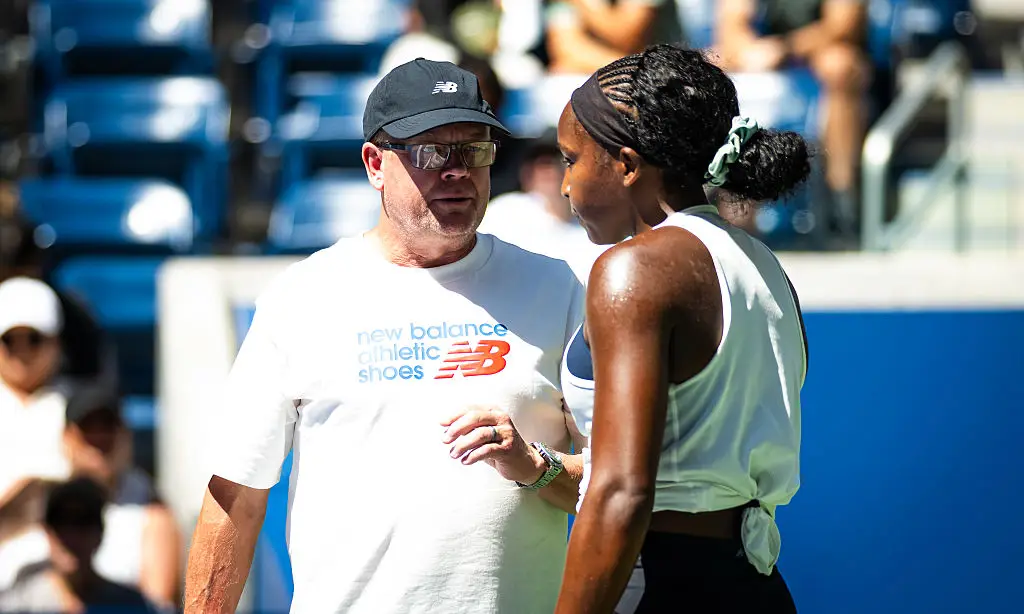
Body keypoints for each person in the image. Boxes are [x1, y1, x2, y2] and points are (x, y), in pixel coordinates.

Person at [184, 58, 588, 613]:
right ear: (375, 164)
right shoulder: (302, 298)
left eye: (473, 150)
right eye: (432, 153)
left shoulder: (558, 288)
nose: (457, 171)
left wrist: (534, 465)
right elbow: (236, 495)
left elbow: (614, 487)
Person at [551, 45, 809, 613]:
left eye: (571, 160)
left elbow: (621, 491)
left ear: (625, 164)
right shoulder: (766, 267)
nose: (565, 186)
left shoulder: (633, 270)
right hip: (754, 588)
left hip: (659, 588)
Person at [717, 0, 870, 236]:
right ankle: (729, 221)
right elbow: (732, 28)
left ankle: (841, 202)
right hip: (767, 63)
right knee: (705, 65)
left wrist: (785, 48)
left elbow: (844, 26)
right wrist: (751, 51)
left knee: (840, 64)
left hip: (816, 61)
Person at [63, 385, 182, 609]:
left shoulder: (152, 512)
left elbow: (157, 606)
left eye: (107, 426)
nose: (98, 438)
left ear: (125, 435)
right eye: (87, 428)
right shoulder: (39, 500)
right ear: (66, 437)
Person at [0, 477, 157, 613]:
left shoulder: (129, 605)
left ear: (101, 532)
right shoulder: (19, 603)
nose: (71, 536)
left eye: (83, 521)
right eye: (60, 521)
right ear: (47, 531)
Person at [478, 128, 607, 284]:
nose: (548, 171)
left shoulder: (600, 230)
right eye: (539, 162)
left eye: (560, 160)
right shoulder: (506, 210)